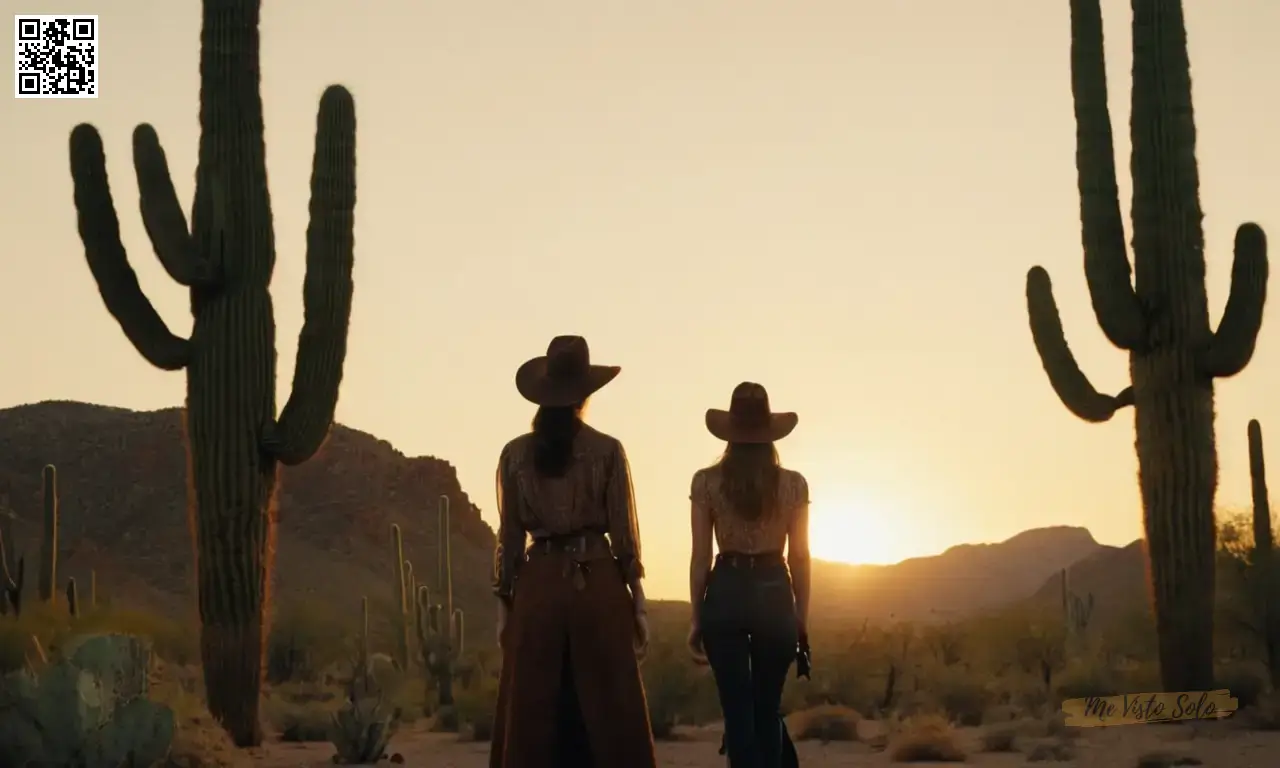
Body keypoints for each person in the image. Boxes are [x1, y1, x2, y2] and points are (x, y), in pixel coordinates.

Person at [489, 335, 658, 768]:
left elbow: (508, 539)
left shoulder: (514, 455)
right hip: (596, 583)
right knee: (610, 707)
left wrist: (505, 607)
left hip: (538, 585)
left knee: (533, 712)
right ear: (584, 394)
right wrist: (637, 601)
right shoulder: (608, 450)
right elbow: (624, 534)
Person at [688, 382, 811, 768]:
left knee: (737, 712)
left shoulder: (706, 482)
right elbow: (802, 557)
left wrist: (696, 618)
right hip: (775, 591)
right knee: (766, 710)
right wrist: (801, 619)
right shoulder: (793, 484)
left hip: (725, 592)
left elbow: (700, 558)